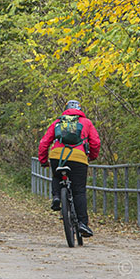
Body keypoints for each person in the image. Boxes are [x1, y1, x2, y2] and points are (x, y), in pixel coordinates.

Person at [38, 99, 100, 237]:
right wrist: (91, 157)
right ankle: (83, 224)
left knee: (56, 175)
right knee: (79, 191)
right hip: (78, 158)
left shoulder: (58, 122)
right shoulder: (86, 122)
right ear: (80, 109)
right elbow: (95, 142)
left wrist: (43, 161)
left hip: (57, 156)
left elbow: (44, 142)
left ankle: (56, 197)